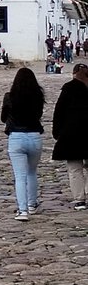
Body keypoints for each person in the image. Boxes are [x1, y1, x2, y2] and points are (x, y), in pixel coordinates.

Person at [1, 66, 45, 220]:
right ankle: (32, 204)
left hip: (16, 137)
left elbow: (3, 117)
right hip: (34, 136)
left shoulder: (10, 96)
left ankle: (22, 210)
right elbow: (39, 114)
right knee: (32, 172)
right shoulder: (38, 95)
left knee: (20, 176)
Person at [52, 63, 88, 210]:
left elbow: (59, 111)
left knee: (75, 168)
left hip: (72, 134)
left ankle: (79, 199)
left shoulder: (68, 88)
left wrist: (57, 132)